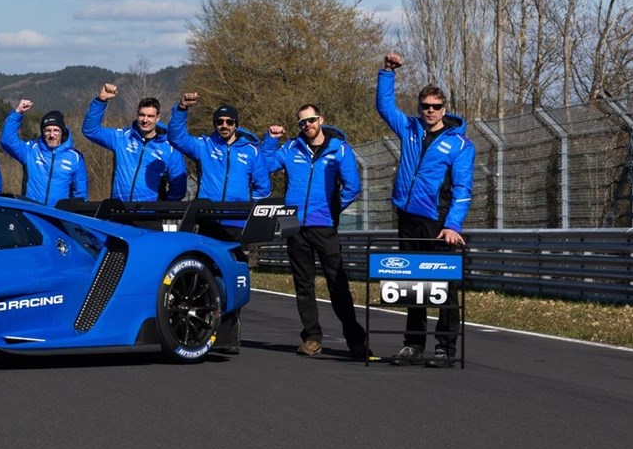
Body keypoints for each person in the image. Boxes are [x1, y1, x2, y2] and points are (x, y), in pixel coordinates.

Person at [377, 52, 475, 368]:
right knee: (411, 283)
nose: (430, 111)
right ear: (419, 108)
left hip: (438, 223)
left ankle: (445, 347)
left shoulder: (460, 145)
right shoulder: (409, 128)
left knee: (444, 287)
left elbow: (463, 190)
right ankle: (413, 345)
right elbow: (384, 106)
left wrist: (453, 225)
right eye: (425, 106)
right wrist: (387, 72)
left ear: (445, 109)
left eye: (436, 107)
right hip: (407, 216)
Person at [261, 104, 370, 359]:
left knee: (338, 283)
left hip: (324, 226)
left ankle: (356, 340)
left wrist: (332, 210)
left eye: (310, 120)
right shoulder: (290, 148)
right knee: (303, 285)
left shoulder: (339, 149)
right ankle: (311, 337)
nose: (307, 125)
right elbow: (263, 167)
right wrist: (270, 141)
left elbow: (352, 187)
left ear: (320, 119)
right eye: (301, 123)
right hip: (294, 225)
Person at [81, 83, 187, 201]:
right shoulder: (122, 138)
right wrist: (101, 100)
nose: (145, 120)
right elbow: (90, 130)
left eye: (150, 116)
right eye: (142, 115)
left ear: (158, 117)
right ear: (137, 115)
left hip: (150, 216)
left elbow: (179, 187)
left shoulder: (170, 147)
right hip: (119, 212)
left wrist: (162, 208)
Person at [164, 92, 270, 204]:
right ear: (215, 124)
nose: (224, 125)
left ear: (236, 125)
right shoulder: (204, 146)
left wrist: (249, 209)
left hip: (238, 217)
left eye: (229, 122)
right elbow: (176, 138)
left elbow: (263, 188)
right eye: (220, 122)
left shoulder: (252, 151)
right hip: (206, 214)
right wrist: (182, 108)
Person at [0, 101, 88, 206]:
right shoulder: (31, 150)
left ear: (62, 132)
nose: (52, 135)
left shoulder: (75, 157)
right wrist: (18, 112)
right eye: (47, 130)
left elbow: (80, 194)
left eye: (56, 130)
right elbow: (7, 140)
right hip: (31, 212)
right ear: (42, 132)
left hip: (58, 216)